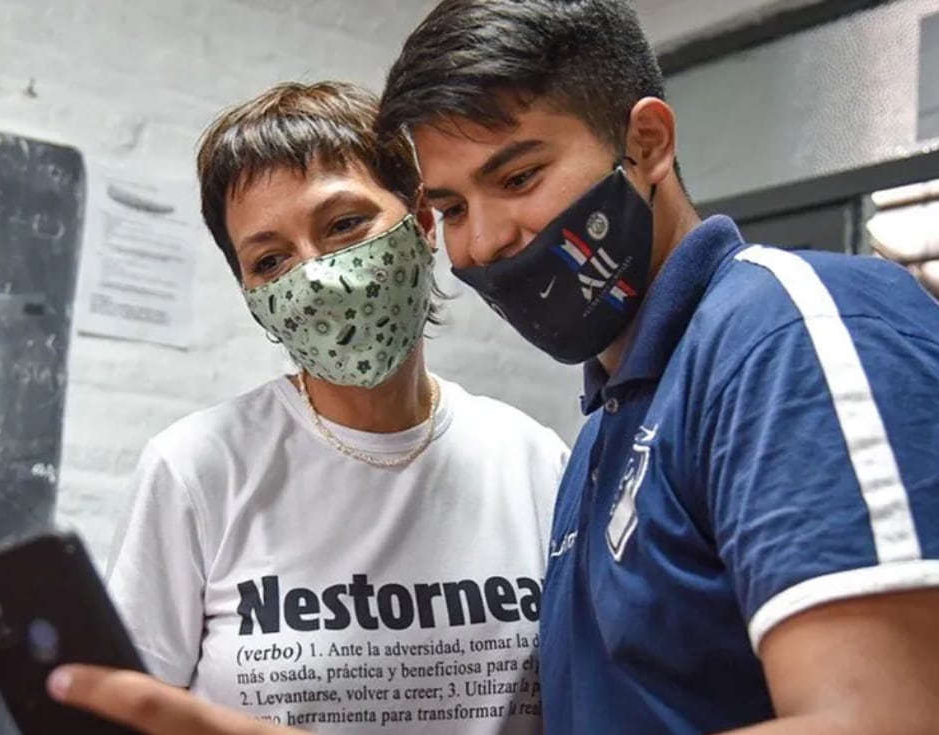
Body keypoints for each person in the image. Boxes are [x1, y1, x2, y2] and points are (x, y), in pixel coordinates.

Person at [51, 2, 939, 734]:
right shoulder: (603, 441)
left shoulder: (782, 332)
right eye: (456, 201)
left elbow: (886, 716)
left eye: (519, 176)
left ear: (648, 143)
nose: (492, 239)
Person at [101, 80, 568, 734]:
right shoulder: (197, 471)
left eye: (345, 224)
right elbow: (121, 717)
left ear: (423, 222)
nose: (318, 275)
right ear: (252, 295)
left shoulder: (535, 463)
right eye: (270, 259)